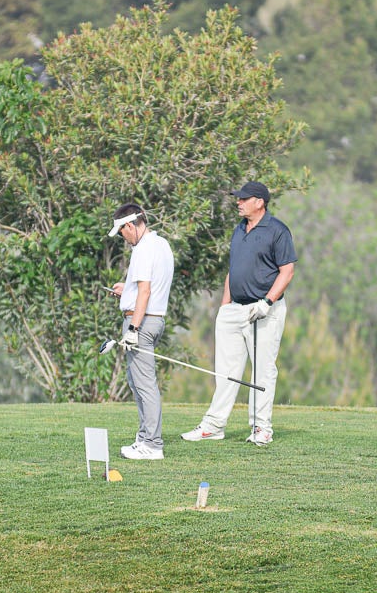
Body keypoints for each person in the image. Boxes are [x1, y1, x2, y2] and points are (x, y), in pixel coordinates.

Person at [182, 181, 296, 446]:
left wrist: (267, 301)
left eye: (244, 199)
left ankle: (261, 427)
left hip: (264, 310)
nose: (238, 202)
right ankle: (214, 425)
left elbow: (287, 271)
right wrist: (225, 306)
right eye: (238, 199)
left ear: (260, 202)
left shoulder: (277, 230)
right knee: (226, 371)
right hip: (234, 310)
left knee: (263, 371)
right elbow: (234, 270)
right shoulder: (239, 229)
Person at [108, 203, 174, 460]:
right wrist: (128, 290)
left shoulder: (143, 249)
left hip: (142, 322)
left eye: (122, 232)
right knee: (138, 382)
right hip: (153, 319)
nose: (123, 238)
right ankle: (145, 437)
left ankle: (152, 444)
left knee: (144, 384)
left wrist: (133, 328)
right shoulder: (161, 245)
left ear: (130, 225)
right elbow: (148, 288)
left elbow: (145, 291)